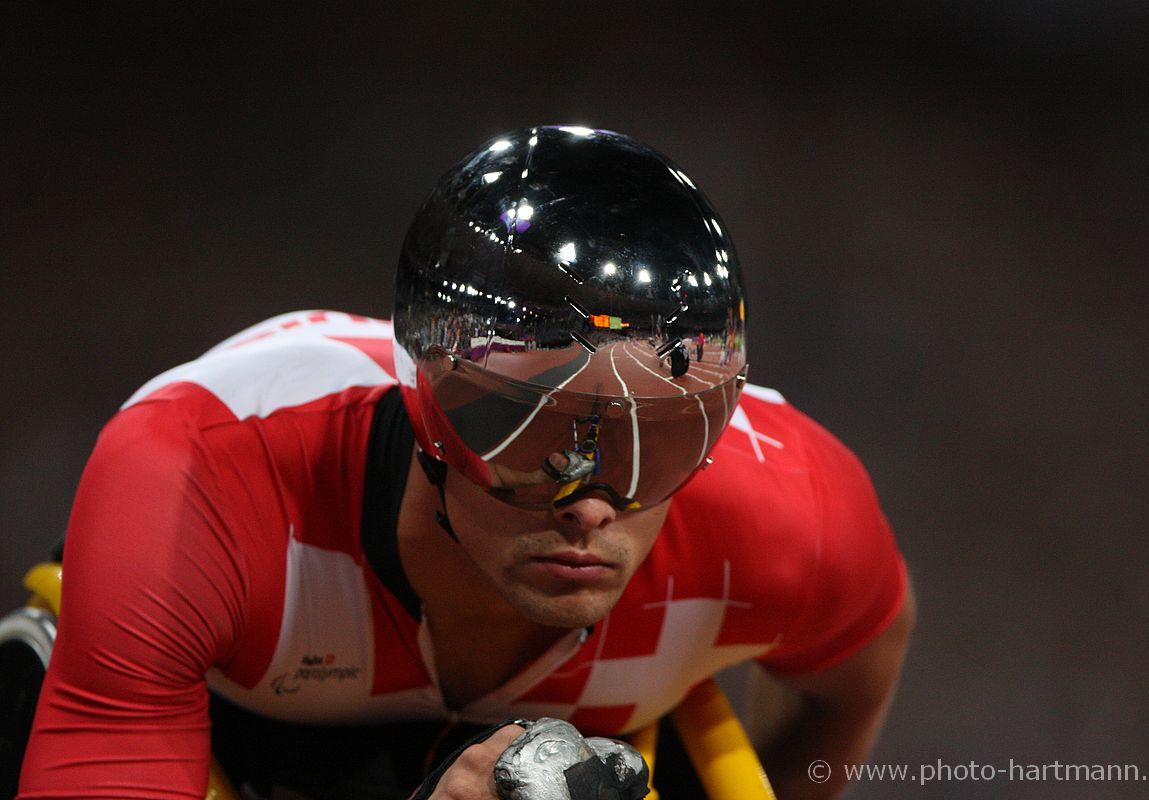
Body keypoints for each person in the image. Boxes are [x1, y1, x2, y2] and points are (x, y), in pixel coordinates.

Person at [18, 126, 913, 800]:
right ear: (426, 414)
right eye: (533, 433)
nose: (593, 506)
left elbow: (855, 682)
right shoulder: (194, 482)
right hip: (234, 722)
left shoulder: (798, 513)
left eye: (664, 437)